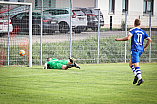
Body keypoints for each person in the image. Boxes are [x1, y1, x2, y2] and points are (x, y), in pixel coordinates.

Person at [115, 19, 151, 86]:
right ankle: (136, 75)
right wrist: (145, 47)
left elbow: (128, 38)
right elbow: (149, 39)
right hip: (140, 49)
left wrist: (119, 39)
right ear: (139, 24)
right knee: (130, 63)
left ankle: (140, 79)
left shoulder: (133, 30)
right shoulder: (143, 32)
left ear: (134, 23)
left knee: (136, 64)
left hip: (135, 49)